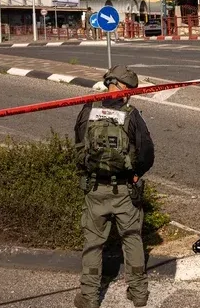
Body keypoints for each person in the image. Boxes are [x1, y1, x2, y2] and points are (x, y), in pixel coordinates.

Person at [74, 65, 155, 308]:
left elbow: (78, 146)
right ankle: (139, 294)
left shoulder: (88, 109)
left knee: (93, 244)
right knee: (132, 240)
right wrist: (135, 174)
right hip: (124, 192)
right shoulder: (132, 115)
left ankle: (89, 297)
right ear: (123, 87)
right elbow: (147, 153)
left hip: (95, 189)